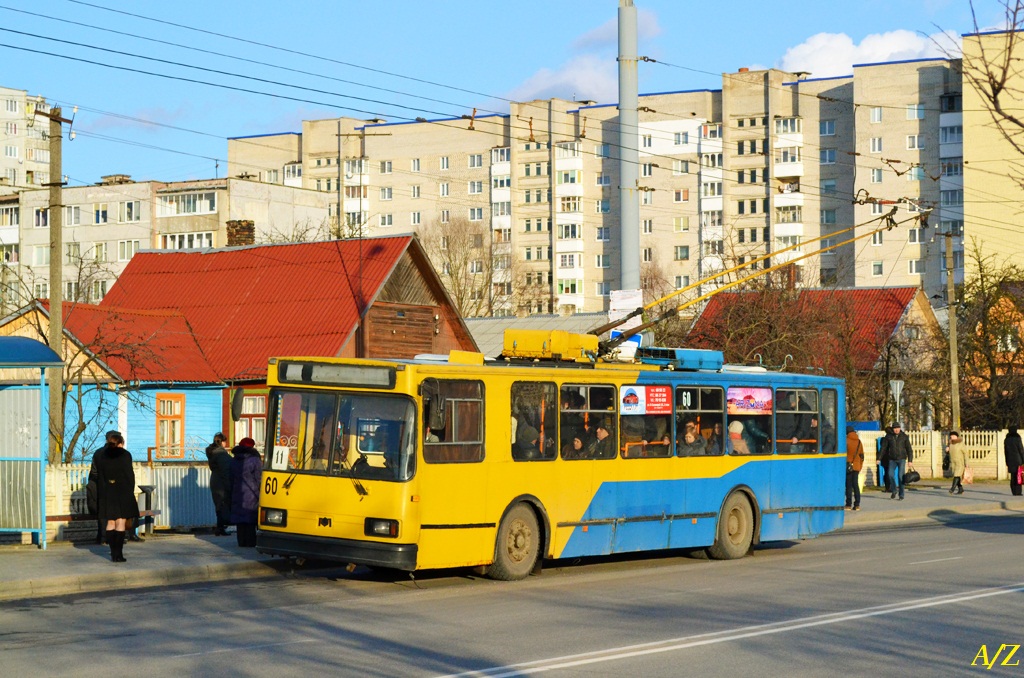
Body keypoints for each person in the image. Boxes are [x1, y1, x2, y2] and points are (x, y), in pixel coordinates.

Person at [92, 432, 139, 563]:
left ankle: (113, 554)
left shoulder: (101, 455)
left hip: (107, 493)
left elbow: (98, 475)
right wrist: (130, 490)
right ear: (120, 443)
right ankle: (119, 554)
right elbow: (129, 475)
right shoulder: (125, 455)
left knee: (110, 522)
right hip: (123, 492)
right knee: (121, 522)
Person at [88, 430, 121, 545]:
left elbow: (93, 472)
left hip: (98, 487)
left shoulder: (98, 452)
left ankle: (102, 537)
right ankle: (108, 537)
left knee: (103, 513)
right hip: (108, 487)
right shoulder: (115, 453)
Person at [230, 437, 262, 547]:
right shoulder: (255, 460)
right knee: (250, 518)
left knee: (240, 519)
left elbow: (231, 476)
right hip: (251, 492)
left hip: (237, 491)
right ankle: (250, 542)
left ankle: (241, 541)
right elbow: (259, 477)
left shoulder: (234, 460)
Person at [205, 432, 233, 536]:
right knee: (222, 504)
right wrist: (229, 485)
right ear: (222, 442)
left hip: (215, 480)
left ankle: (220, 527)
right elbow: (225, 471)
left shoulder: (213, 452)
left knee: (218, 504)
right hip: (221, 481)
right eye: (225, 441)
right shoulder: (221, 454)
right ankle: (221, 527)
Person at [883, 422, 914, 500]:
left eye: (897, 428)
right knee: (890, 475)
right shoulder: (889, 437)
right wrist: (878, 458)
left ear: (900, 428)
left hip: (901, 459)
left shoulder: (904, 437)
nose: (896, 430)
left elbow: (909, 450)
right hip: (892, 459)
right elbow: (883, 448)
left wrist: (910, 460)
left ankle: (901, 494)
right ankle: (894, 490)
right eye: (895, 428)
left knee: (901, 477)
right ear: (893, 429)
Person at [845, 426, 865, 510]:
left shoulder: (846, 441)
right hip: (856, 466)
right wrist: (860, 466)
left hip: (848, 466)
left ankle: (848, 504)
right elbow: (862, 456)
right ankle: (857, 504)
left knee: (848, 486)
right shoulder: (859, 442)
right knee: (856, 485)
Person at [1004, 426, 1024, 496]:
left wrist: (1006, 461)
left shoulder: (1006, 439)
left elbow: (1005, 451)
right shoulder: (1017, 438)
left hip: (1010, 460)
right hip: (1018, 460)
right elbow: (1021, 450)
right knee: (1018, 475)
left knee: (1012, 476)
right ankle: (1018, 491)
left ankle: (1013, 491)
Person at [947, 430, 968, 495]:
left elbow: (966, 453)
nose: (952, 437)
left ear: (956, 436)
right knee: (957, 476)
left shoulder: (961, 444)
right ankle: (961, 489)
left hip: (960, 463)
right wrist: (947, 451)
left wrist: (966, 463)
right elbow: (949, 454)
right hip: (953, 463)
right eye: (951, 436)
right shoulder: (950, 444)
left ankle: (952, 489)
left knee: (956, 475)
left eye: (953, 436)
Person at [877, 426, 893, 491]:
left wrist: (879, 458)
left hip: (885, 458)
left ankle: (887, 487)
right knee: (890, 473)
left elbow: (882, 449)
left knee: (886, 472)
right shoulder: (893, 438)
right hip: (891, 458)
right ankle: (890, 486)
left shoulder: (884, 439)